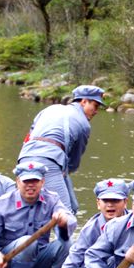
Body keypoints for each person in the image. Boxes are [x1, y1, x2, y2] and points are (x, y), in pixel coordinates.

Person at [46, 178, 131, 268]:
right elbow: (73, 263)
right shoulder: (91, 230)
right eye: (105, 201)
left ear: (125, 202)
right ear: (98, 204)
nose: (110, 205)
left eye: (115, 201)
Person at [17, 85, 105, 213]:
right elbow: (73, 163)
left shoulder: (50, 109)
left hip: (24, 158)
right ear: (84, 101)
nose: (96, 111)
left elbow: (29, 135)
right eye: (95, 106)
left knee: (26, 209)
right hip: (51, 161)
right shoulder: (84, 124)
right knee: (66, 213)